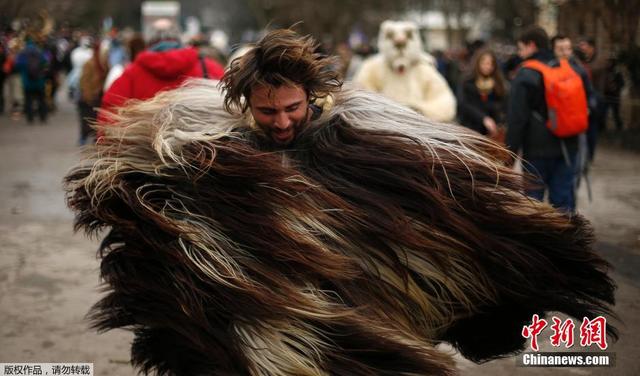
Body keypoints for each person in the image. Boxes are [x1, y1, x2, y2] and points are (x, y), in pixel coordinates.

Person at [66, 29, 616, 376]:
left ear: (312, 97)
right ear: (244, 105)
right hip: (272, 311)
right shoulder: (216, 152)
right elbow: (136, 178)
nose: (281, 122)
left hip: (360, 295)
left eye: (292, 109)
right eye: (268, 113)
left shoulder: (357, 137)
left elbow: (439, 186)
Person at [505, 26, 590, 213]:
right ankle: (567, 240)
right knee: (563, 202)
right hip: (568, 146)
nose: (520, 53)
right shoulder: (568, 67)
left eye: (521, 48)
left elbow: (517, 119)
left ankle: (537, 242)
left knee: (533, 206)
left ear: (531, 45)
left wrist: (509, 156)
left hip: (537, 151)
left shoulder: (525, 74)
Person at [98, 20, 224, 125]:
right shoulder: (209, 68)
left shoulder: (130, 74)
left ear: (149, 41)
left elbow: (108, 119)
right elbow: (229, 108)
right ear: (179, 39)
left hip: (144, 153)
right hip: (202, 152)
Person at [456, 49, 507, 139]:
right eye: (485, 63)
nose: (488, 66)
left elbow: (503, 104)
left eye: (491, 64)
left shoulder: (498, 82)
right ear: (477, 63)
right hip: (470, 129)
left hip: (492, 132)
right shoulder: (467, 81)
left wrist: (499, 121)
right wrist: (484, 118)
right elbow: (464, 104)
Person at [15, 37, 49, 124]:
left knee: (28, 100)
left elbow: (17, 66)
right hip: (39, 81)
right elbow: (46, 62)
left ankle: (30, 118)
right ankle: (43, 117)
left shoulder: (22, 53)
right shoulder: (39, 52)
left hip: (27, 81)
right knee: (41, 100)